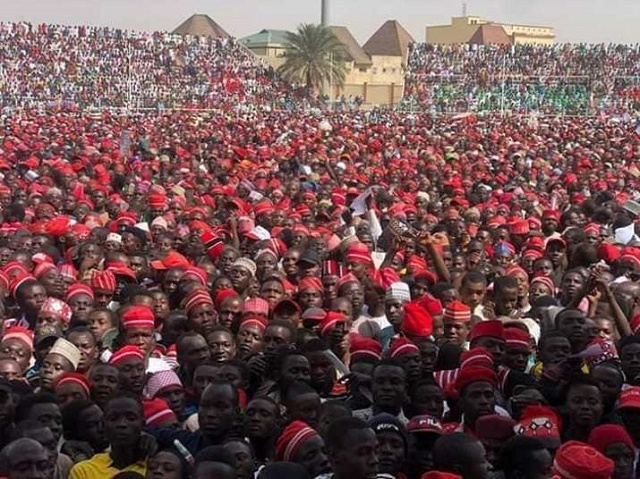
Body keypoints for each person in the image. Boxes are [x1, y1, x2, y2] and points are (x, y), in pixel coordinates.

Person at [69, 393, 149, 478]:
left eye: (131, 418)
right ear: (103, 425)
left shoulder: (155, 467)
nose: (122, 424)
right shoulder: (84, 470)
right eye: (113, 418)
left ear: (143, 425)